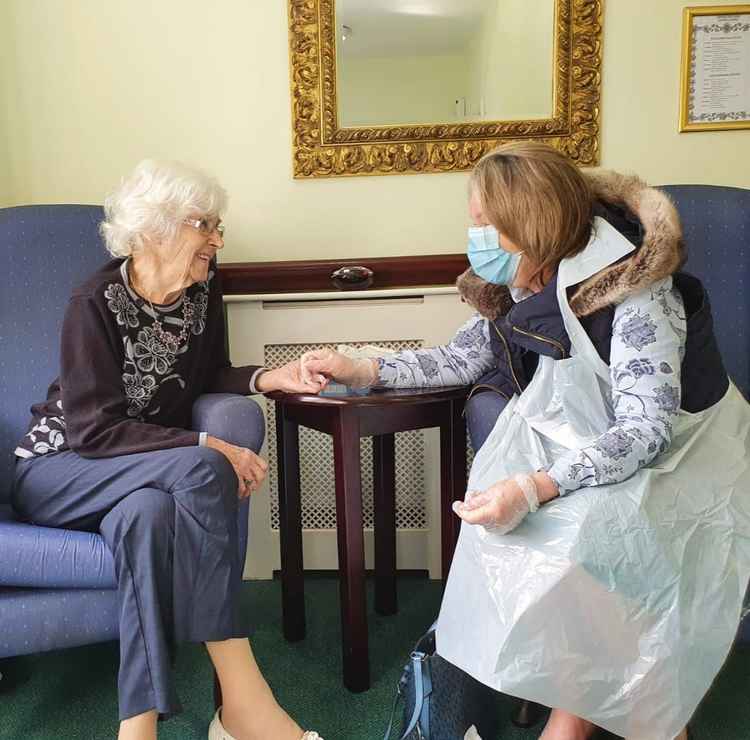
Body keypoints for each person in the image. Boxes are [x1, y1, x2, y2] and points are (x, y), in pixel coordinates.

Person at [300, 142, 750, 740]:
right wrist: (363, 369)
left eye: (485, 222)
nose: (473, 234)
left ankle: (589, 723)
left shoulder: (638, 293)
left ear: (530, 224)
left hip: (684, 459)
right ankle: (606, 719)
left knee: (586, 535)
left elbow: (646, 431)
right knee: (523, 533)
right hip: (602, 446)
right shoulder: (521, 279)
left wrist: (539, 486)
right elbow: (460, 357)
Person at [11, 160, 325, 740]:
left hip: (138, 481)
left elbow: (207, 377)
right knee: (204, 466)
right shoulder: (94, 302)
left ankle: (138, 727)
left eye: (217, 225)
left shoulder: (203, 294)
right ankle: (243, 699)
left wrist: (268, 377)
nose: (218, 239)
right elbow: (93, 431)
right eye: (204, 224)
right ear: (153, 228)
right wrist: (206, 445)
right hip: (60, 469)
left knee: (148, 517)